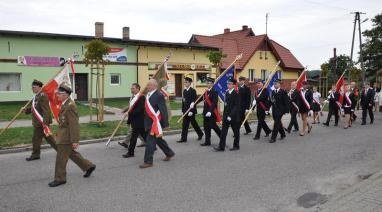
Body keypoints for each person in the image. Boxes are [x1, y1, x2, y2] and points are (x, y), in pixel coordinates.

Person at [49, 84, 96, 187]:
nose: (57, 95)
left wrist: (75, 140)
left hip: (66, 137)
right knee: (71, 154)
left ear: (65, 94)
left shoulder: (70, 106)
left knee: (61, 158)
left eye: (59, 94)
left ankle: (60, 178)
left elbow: (74, 125)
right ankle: (88, 166)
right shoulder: (65, 104)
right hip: (64, 135)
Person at [140, 79, 175, 169]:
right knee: (159, 140)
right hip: (148, 122)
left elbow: (163, 110)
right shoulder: (149, 95)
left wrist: (165, 124)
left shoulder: (159, 95)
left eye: (149, 85)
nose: (147, 87)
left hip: (154, 124)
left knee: (150, 142)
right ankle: (169, 153)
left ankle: (148, 161)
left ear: (154, 86)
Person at [22, 79, 53, 161]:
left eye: (34, 87)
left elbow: (46, 110)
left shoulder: (43, 96)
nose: (32, 89)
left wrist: (45, 123)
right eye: (32, 87)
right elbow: (35, 108)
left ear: (39, 87)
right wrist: (26, 110)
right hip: (39, 123)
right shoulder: (36, 96)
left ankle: (35, 155)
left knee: (36, 139)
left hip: (42, 123)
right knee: (50, 140)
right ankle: (63, 151)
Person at [214, 77, 240, 151]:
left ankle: (236, 145)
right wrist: (224, 115)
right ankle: (221, 146)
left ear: (234, 85)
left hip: (233, 117)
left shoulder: (236, 94)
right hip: (226, 116)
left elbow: (236, 106)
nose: (228, 85)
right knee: (223, 132)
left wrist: (230, 116)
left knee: (236, 132)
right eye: (227, 84)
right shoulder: (227, 92)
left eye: (230, 84)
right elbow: (226, 105)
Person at [121, 83, 147, 158]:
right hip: (134, 120)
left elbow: (140, 109)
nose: (131, 90)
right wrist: (126, 110)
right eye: (131, 88)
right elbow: (131, 107)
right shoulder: (133, 97)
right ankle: (152, 146)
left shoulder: (141, 97)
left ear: (138, 89)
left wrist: (129, 112)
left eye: (133, 88)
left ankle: (130, 152)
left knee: (133, 137)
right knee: (144, 135)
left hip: (139, 120)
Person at [177, 76, 204, 143]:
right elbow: (184, 101)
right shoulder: (184, 91)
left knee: (193, 123)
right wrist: (183, 110)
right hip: (186, 111)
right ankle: (183, 138)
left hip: (191, 111)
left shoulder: (193, 91)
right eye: (184, 82)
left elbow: (194, 101)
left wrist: (191, 111)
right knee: (185, 124)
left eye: (186, 82)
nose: (185, 83)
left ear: (189, 83)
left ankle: (200, 133)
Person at [200, 77, 221, 146]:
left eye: (209, 83)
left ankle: (222, 137)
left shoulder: (214, 92)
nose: (207, 84)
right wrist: (193, 103)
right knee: (206, 127)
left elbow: (214, 103)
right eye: (207, 83)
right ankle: (207, 141)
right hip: (205, 112)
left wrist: (210, 111)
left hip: (211, 113)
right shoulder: (205, 92)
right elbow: (200, 98)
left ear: (212, 84)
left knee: (213, 126)